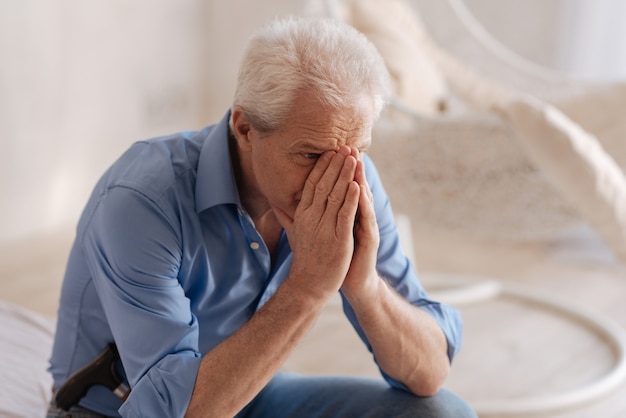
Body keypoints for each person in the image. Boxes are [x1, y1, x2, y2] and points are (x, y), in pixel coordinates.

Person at [47, 16, 475, 418]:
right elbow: (173, 409)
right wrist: (307, 287)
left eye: (356, 151)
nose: (328, 182)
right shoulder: (141, 200)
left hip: (250, 391)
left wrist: (365, 288)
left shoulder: (351, 177)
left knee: (442, 412)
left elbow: (429, 372)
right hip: (119, 407)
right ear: (245, 128)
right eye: (309, 155)